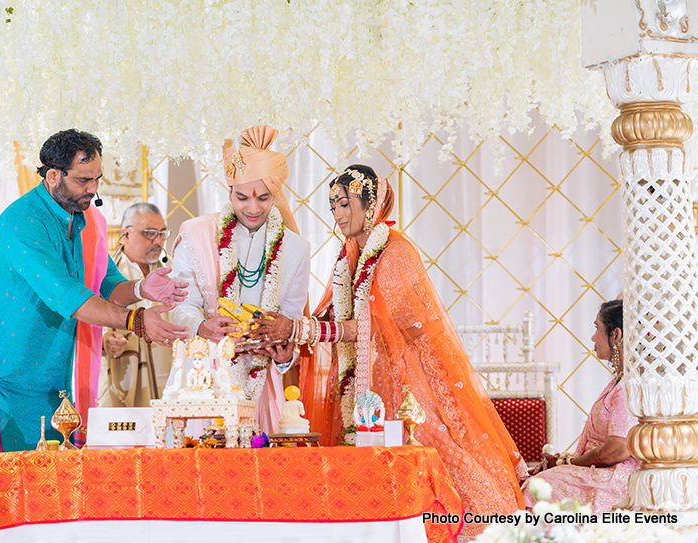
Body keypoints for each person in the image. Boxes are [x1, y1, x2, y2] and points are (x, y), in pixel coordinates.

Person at [0, 129, 189, 543]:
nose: (93, 190)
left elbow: (106, 282)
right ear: (53, 176)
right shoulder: (22, 222)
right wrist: (138, 322)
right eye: (83, 181)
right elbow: (67, 296)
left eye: (97, 180)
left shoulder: (81, 221)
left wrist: (143, 290)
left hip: (52, 387)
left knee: (45, 507)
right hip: (3, 386)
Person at [256, 165, 526, 536]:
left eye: (345, 203)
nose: (336, 213)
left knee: (428, 453)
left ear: (371, 206)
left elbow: (372, 327)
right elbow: (335, 316)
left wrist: (303, 329)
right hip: (371, 376)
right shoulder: (348, 255)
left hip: (410, 375)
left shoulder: (396, 251)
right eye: (332, 205)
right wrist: (297, 331)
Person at [170, 125, 310, 434]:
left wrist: (286, 355)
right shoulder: (195, 234)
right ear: (229, 191)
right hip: (203, 380)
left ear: (276, 195)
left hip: (263, 383)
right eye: (242, 197)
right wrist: (202, 327)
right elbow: (181, 305)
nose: (252, 208)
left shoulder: (296, 249)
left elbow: (292, 319)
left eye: (263, 198)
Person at [522, 299, 638, 512]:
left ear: (616, 335)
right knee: (532, 480)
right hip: (602, 471)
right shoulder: (618, 381)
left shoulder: (628, 386)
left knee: (537, 488)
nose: (593, 336)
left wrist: (567, 463)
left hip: (615, 479)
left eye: (597, 328)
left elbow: (616, 451)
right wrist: (564, 460)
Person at [97, 202, 174, 406]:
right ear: (126, 233)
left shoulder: (172, 272)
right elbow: (83, 320)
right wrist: (104, 340)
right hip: (118, 379)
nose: (158, 241)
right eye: (149, 233)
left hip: (167, 381)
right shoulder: (103, 273)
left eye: (162, 233)